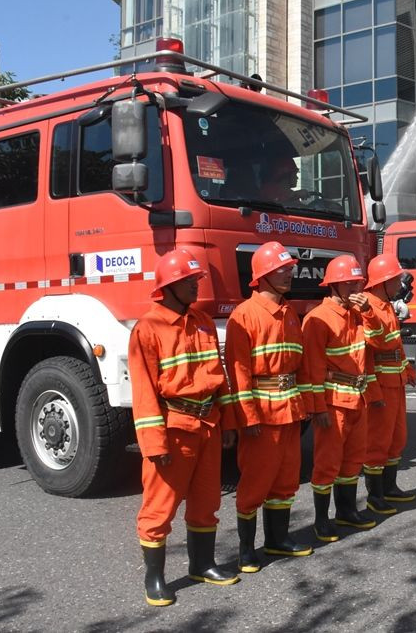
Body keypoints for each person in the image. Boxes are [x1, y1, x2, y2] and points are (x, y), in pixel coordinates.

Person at [130, 249, 239, 607]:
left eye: (196, 280)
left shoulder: (204, 321)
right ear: (169, 286)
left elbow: (219, 377)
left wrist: (228, 423)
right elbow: (144, 391)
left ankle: (202, 564)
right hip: (174, 428)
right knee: (159, 508)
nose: (195, 286)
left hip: (207, 423)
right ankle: (155, 577)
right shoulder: (148, 328)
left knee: (207, 501)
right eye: (188, 281)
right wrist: (153, 442)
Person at [226, 241, 313, 572]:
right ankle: (246, 550)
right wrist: (247, 417)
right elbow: (238, 371)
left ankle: (277, 540)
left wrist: (304, 404)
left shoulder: (289, 312)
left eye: (289, 269)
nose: (289, 274)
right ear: (262, 275)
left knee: (286, 480)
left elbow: (301, 365)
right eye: (281, 270)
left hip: (290, 409)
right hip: (262, 413)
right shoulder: (245, 315)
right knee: (255, 482)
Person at [301, 254, 386, 541]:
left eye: (357, 284)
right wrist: (317, 408)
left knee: (353, 460)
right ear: (334, 286)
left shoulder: (358, 314)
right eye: (349, 284)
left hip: (357, 398)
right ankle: (321, 519)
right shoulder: (317, 319)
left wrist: (370, 314)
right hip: (333, 402)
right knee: (327, 463)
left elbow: (378, 343)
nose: (356, 290)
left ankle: (347, 510)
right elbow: (311, 369)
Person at [361, 253, 416, 514]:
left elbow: (395, 343)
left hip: (395, 381)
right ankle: (375, 495)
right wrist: (372, 390)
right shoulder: (369, 307)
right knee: (378, 440)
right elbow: (372, 350)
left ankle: (390, 486)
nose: (399, 284)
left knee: (397, 437)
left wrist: (407, 367)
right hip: (381, 384)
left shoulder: (386, 305)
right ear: (382, 281)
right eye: (394, 279)